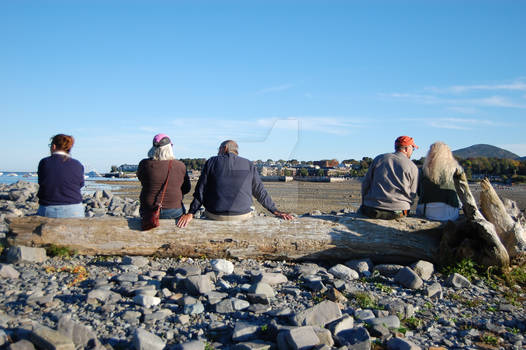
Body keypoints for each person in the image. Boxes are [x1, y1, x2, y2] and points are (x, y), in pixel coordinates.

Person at [177, 140, 293, 227]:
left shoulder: (211, 162)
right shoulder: (248, 164)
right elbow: (259, 191)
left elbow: (200, 191)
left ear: (224, 148)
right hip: (241, 215)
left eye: (219, 149)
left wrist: (191, 212)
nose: (218, 152)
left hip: (215, 215)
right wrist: (275, 211)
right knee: (251, 209)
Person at [360, 136, 419, 219]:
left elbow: (366, 184)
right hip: (399, 212)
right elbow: (412, 194)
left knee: (361, 210)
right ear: (406, 149)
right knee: (405, 211)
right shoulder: (412, 166)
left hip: (372, 209)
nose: (413, 151)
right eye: (413, 148)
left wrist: (364, 202)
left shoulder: (379, 159)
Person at [137, 134, 191, 221]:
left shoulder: (144, 164)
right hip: (173, 210)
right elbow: (187, 188)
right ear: (169, 148)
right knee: (180, 211)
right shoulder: (180, 165)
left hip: (148, 210)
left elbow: (142, 180)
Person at [37, 134, 85, 218]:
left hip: (49, 207)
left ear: (54, 146)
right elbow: (80, 184)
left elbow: (42, 182)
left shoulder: (45, 162)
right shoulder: (77, 164)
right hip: (74, 208)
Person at [416, 141, 462, 221]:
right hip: (449, 210)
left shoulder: (423, 170)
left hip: (426, 210)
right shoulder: (455, 169)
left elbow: (419, 192)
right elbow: (462, 192)